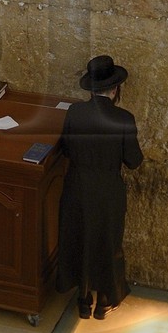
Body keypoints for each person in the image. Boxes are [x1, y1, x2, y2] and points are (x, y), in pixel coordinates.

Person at [55, 54, 144, 319]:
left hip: (76, 188)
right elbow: (133, 161)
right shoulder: (124, 119)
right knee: (107, 244)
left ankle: (83, 301)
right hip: (108, 192)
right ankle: (105, 301)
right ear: (115, 89)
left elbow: (66, 148)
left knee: (78, 240)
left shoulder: (75, 112)